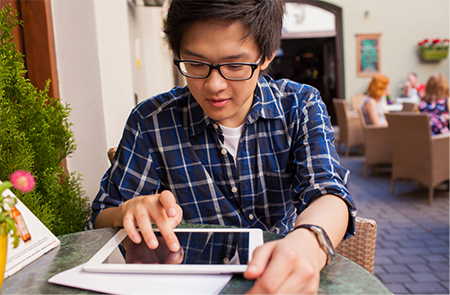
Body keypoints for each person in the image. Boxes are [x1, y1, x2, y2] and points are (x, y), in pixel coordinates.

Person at [87, 0, 356, 293]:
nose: (214, 85)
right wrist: (128, 209)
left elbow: (327, 191)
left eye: (235, 65)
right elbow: (102, 215)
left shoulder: (300, 105)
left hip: (278, 278)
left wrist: (307, 241)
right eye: (196, 64)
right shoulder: (151, 121)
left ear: (265, 56)